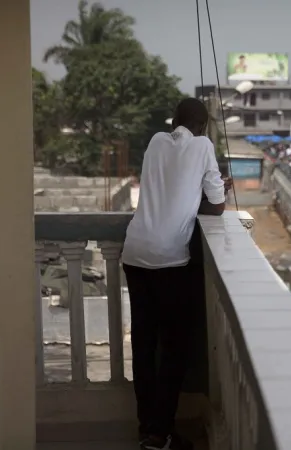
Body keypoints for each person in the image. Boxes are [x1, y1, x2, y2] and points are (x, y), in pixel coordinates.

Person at [122, 98, 231, 450]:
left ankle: (145, 426)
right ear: (201, 127)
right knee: (173, 350)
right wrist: (209, 189)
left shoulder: (155, 142)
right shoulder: (203, 146)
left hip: (135, 253)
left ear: (174, 123)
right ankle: (160, 434)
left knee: (143, 345)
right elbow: (216, 206)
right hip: (169, 259)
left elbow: (167, 185)